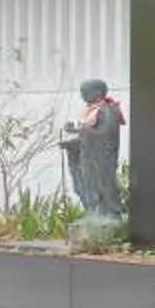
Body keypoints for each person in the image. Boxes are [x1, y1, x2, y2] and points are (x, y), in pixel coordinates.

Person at [61, 77, 125, 222]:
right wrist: (73, 140)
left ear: (98, 93)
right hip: (89, 156)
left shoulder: (108, 110)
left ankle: (109, 213)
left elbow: (105, 134)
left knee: (103, 183)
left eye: (85, 92)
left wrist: (79, 131)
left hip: (102, 158)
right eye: (81, 93)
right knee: (87, 183)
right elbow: (88, 135)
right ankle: (95, 211)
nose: (83, 96)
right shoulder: (90, 110)